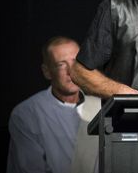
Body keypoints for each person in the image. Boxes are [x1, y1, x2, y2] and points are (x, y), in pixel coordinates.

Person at [7, 36, 100, 173]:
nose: (71, 72)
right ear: (47, 72)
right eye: (61, 64)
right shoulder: (26, 114)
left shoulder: (101, 108)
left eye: (76, 63)